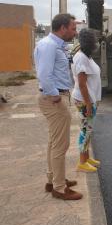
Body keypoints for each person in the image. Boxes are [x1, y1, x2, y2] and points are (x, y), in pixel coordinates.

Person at [35, 13, 82, 200]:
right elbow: (44, 75)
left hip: (56, 96)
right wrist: (56, 97)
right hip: (54, 98)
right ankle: (60, 188)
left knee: (54, 142)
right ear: (62, 28)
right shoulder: (49, 46)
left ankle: (53, 179)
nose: (75, 32)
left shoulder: (55, 45)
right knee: (60, 145)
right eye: (73, 28)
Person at [72, 29, 102, 173]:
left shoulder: (86, 56)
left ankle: (87, 157)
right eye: (94, 41)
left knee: (88, 129)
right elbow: (82, 83)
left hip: (90, 99)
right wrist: (89, 103)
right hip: (84, 101)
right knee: (85, 130)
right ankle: (82, 162)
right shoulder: (81, 58)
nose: (95, 43)